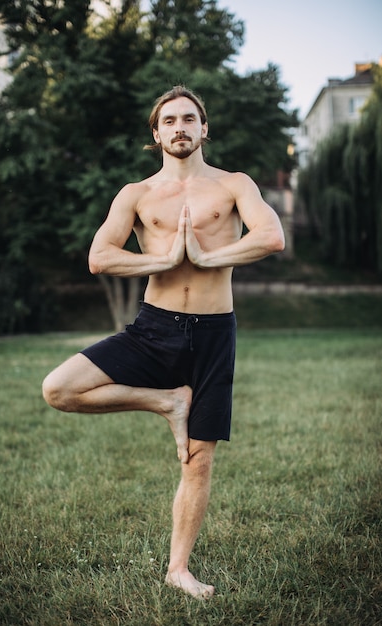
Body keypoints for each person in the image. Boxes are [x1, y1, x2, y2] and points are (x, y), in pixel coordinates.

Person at [42, 85, 285, 599]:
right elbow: (100, 257)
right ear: (156, 133)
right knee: (59, 389)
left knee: (198, 459)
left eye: (189, 119)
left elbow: (270, 236)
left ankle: (178, 569)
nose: (179, 127)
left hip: (214, 335)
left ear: (203, 128)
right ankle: (166, 402)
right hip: (153, 328)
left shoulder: (234, 185)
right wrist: (164, 259)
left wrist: (205, 257)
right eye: (169, 120)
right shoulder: (137, 194)